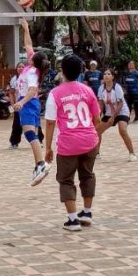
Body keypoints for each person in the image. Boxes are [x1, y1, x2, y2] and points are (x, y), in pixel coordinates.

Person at [42, 54, 102, 232]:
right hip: (90, 140)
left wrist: (48, 147)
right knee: (87, 175)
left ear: (62, 71)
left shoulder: (55, 93)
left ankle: (73, 219)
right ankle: (87, 212)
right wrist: (89, 133)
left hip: (68, 143)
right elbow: (97, 119)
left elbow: (50, 122)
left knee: (66, 179)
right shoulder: (88, 90)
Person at [15, 20, 52, 187]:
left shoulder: (31, 73)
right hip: (33, 103)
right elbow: (28, 44)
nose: (29, 55)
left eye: (31, 56)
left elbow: (32, 90)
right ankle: (39, 165)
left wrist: (21, 102)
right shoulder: (32, 66)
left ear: (33, 61)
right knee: (32, 134)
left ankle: (41, 164)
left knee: (29, 134)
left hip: (29, 102)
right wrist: (26, 28)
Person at [97, 70, 138, 162]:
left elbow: (120, 104)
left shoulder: (117, 87)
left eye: (108, 74)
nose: (106, 75)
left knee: (122, 130)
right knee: (97, 132)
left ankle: (132, 153)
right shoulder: (101, 88)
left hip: (122, 111)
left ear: (112, 77)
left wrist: (113, 117)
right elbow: (100, 104)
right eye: (105, 74)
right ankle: (96, 154)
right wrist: (98, 116)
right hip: (109, 113)